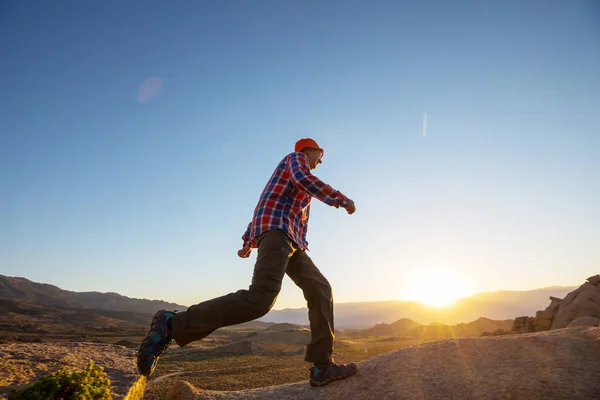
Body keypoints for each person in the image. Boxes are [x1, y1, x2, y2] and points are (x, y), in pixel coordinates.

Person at [136, 138, 358, 387]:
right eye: (320, 154)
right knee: (260, 299)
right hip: (279, 234)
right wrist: (340, 199)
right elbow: (304, 181)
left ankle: (322, 367)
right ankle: (172, 323)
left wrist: (248, 241)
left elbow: (264, 205)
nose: (321, 160)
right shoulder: (296, 160)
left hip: (290, 242)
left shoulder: (289, 177)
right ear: (309, 150)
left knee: (320, 289)